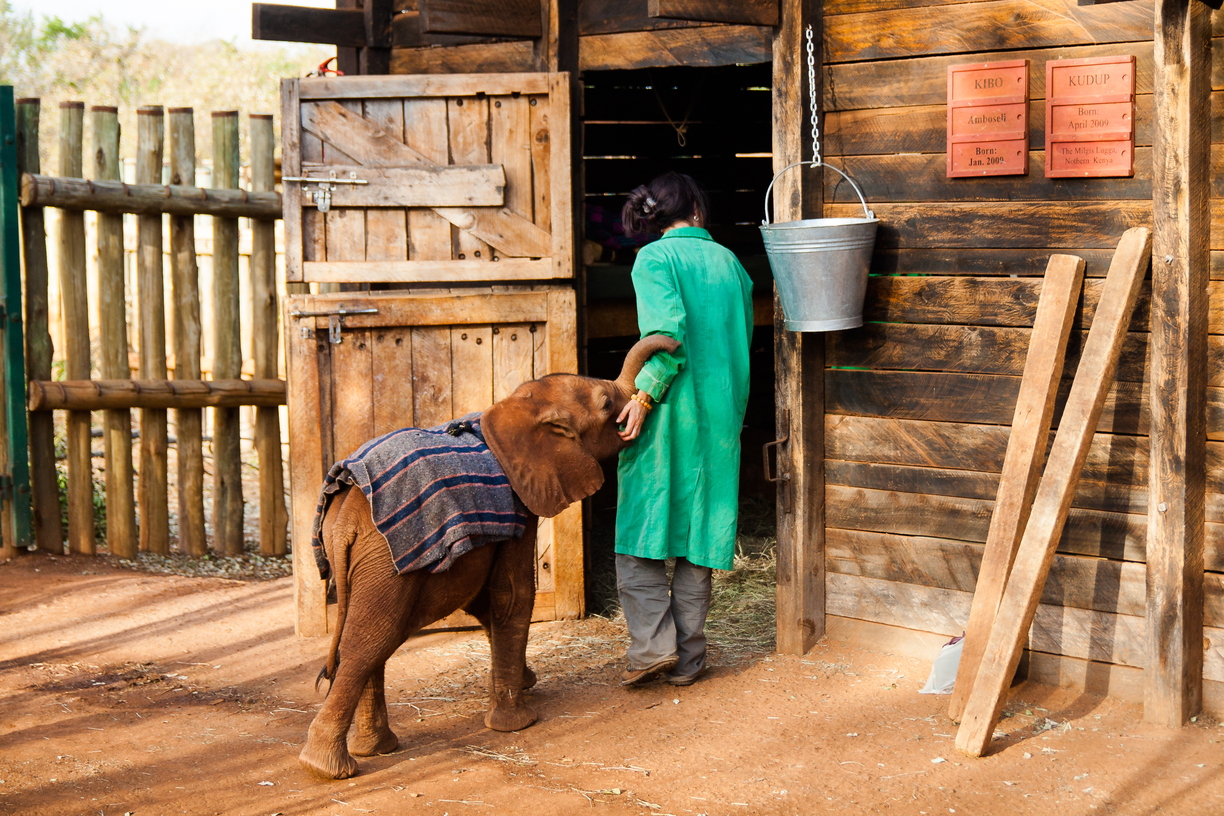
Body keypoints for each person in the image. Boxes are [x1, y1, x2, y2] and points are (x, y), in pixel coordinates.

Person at [613, 172, 754, 687]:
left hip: (669, 413)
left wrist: (643, 396)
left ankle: (652, 647)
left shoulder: (654, 259)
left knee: (640, 533)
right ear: (696, 208)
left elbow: (665, 339)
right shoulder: (732, 264)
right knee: (701, 537)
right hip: (719, 420)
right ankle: (689, 659)